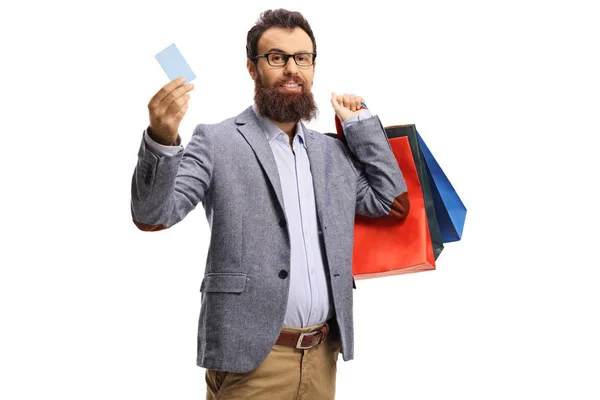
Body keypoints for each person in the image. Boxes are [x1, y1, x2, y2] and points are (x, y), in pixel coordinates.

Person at [131, 8, 409, 400]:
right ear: (252, 68)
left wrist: (360, 126)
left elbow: (391, 202)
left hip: (322, 355)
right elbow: (153, 215)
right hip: (251, 362)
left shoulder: (332, 152)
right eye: (277, 58)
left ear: (313, 66)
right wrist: (161, 138)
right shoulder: (216, 140)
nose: (291, 69)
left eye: (302, 58)